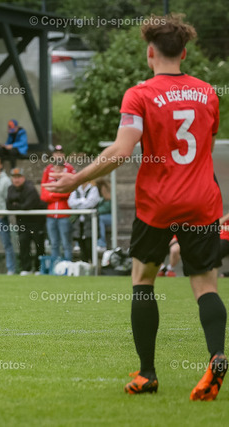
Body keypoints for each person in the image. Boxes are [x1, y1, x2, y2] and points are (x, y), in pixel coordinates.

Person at [44, 14, 227, 401]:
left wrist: (76, 179)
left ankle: (147, 374)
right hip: (202, 200)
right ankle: (217, 355)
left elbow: (121, 151)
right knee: (205, 284)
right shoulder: (208, 93)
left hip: (158, 203)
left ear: (150, 53)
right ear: (185, 53)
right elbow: (205, 149)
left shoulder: (140, 94)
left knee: (143, 280)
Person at [7, 167, 47, 275]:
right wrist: (18, 205)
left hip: (37, 222)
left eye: (19, 177)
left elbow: (27, 206)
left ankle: (39, 269)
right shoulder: (10, 188)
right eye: (14, 177)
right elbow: (8, 206)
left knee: (39, 245)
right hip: (22, 223)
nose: (16, 180)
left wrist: (16, 204)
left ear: (23, 178)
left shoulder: (30, 188)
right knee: (24, 245)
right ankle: (26, 268)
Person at [40, 146, 75, 261]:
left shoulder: (70, 169)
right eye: (56, 152)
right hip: (51, 214)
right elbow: (43, 193)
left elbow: (70, 191)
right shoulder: (48, 169)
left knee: (66, 243)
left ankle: (68, 266)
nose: (58, 155)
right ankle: (55, 266)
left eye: (61, 152)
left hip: (64, 214)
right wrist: (56, 194)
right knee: (54, 243)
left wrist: (53, 194)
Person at [68, 180, 100, 262]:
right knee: (81, 245)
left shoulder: (93, 189)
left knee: (89, 245)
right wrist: (83, 200)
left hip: (90, 222)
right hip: (79, 223)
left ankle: (92, 263)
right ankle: (85, 264)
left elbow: (90, 203)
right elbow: (71, 203)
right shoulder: (76, 190)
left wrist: (78, 204)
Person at [96, 178, 112, 251]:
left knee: (100, 219)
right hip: (103, 215)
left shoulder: (108, 196)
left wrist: (97, 210)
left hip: (111, 216)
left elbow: (107, 208)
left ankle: (101, 243)